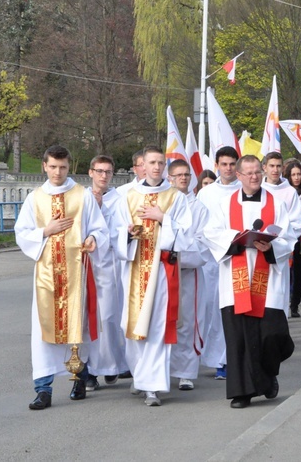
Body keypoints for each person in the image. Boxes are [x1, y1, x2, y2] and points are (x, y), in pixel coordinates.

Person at [15, 145, 110, 410]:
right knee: (44, 333)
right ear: (44, 166)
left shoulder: (83, 196)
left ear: (70, 167)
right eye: (53, 166)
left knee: (78, 328)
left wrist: (93, 239)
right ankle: (43, 389)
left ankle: (80, 377)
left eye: (63, 167)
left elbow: (100, 229)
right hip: (46, 277)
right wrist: (46, 231)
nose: (58, 172)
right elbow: (21, 232)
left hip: (77, 273)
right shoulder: (35, 198)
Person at [203, 155, 296, 409]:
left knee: (271, 334)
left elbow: (289, 235)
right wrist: (236, 239)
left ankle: (269, 375)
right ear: (239, 176)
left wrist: (270, 246)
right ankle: (241, 392)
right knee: (239, 338)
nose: (254, 177)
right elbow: (211, 233)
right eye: (249, 173)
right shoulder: (224, 204)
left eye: (257, 172)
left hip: (268, 278)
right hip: (236, 279)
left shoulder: (276, 203)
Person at [112, 146, 194, 407]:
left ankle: (153, 388)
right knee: (135, 326)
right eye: (152, 162)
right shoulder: (127, 196)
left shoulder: (175, 198)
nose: (157, 167)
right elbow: (115, 234)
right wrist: (127, 234)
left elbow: (186, 235)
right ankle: (140, 374)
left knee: (157, 327)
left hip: (162, 274)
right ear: (142, 166)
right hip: (135, 270)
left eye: (161, 162)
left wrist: (163, 219)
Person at [196, 146, 242, 381]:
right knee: (213, 310)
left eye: (232, 164)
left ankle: (231, 358)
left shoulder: (244, 190)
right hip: (212, 260)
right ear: (217, 165)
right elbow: (201, 226)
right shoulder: (206, 194)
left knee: (235, 309)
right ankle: (215, 359)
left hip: (238, 257)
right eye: (223, 164)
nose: (228, 168)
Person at [167, 159, 212, 392]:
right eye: (178, 175)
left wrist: (178, 252)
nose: (183, 178)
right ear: (169, 178)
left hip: (187, 274)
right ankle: (161, 370)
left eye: (186, 174)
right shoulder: (162, 204)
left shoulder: (199, 208)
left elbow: (202, 244)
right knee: (164, 322)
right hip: (163, 274)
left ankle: (185, 372)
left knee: (187, 322)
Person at [85, 155, 129, 390]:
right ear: (91, 172)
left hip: (109, 265)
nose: (103, 176)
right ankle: (89, 369)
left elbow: (122, 231)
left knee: (108, 318)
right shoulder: (82, 197)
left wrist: (102, 213)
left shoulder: (119, 200)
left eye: (108, 172)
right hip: (85, 263)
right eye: (99, 171)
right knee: (86, 319)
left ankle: (111, 365)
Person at [261, 152, 301, 315]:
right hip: (257, 248)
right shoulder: (258, 188)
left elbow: (297, 222)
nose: (275, 170)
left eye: (278, 166)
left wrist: (278, 236)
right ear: (264, 167)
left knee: (278, 295)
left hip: (279, 250)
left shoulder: (289, 192)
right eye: (271, 166)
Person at [283, 161, 301, 318]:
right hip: (288, 236)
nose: (296, 177)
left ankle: (295, 305)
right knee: (287, 272)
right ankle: (285, 302)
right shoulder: (285, 192)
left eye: (299, 174)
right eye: (293, 174)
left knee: (299, 273)